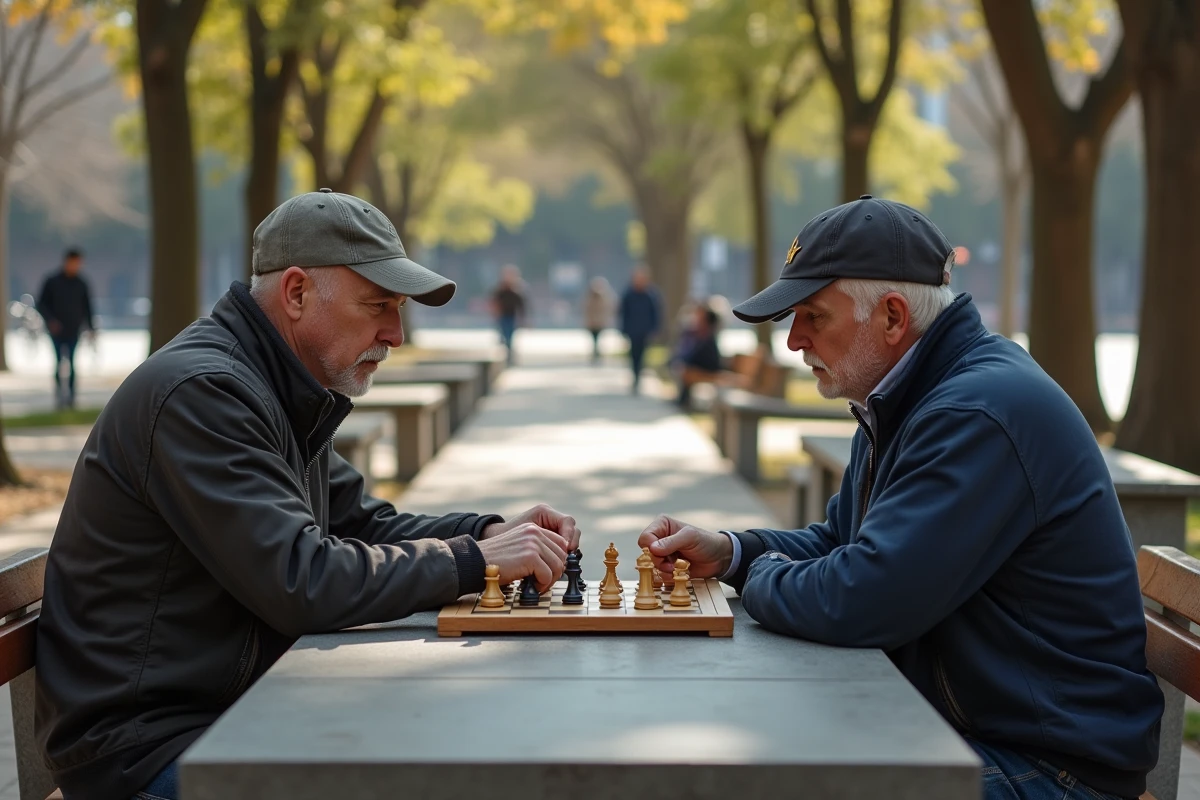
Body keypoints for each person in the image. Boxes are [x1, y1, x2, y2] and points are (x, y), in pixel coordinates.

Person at [35, 190, 581, 800]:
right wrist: (473, 563)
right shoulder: (204, 393)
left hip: (220, 713)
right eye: (378, 305)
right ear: (296, 293)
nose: (396, 334)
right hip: (145, 749)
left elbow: (364, 526)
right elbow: (302, 580)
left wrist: (488, 533)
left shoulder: (276, 384)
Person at [638, 196, 1163, 800]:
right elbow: (840, 541)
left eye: (812, 316)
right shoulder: (906, 394)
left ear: (891, 317)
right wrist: (733, 552)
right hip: (992, 734)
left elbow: (863, 598)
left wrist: (761, 580)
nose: (793, 342)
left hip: (1051, 768)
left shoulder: (974, 414)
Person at [36, 247, 95, 409]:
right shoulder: (52, 281)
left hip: (73, 330)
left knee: (72, 364)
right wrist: (50, 321)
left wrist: (91, 328)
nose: (75, 266)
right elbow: (41, 304)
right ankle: (58, 396)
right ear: (66, 262)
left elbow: (88, 307)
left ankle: (71, 398)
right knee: (57, 363)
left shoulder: (82, 283)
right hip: (56, 331)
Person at [670, 301, 723, 408]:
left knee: (686, 371)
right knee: (684, 370)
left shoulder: (707, 337)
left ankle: (683, 400)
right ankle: (683, 400)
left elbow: (705, 359)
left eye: (700, 317)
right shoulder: (699, 335)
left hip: (709, 369)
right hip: (702, 366)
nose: (696, 320)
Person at [618, 267, 661, 394]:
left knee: (642, 355)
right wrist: (624, 329)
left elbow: (656, 314)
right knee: (633, 355)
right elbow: (623, 313)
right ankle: (635, 376)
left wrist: (654, 328)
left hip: (644, 330)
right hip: (632, 330)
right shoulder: (628, 294)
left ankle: (638, 376)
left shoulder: (650, 295)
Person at [491, 264, 526, 365]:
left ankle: (509, 356)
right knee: (504, 336)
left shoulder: (516, 290)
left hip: (511, 317)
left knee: (509, 337)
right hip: (502, 316)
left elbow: (521, 305)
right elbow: (494, 302)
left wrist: (523, 318)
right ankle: (506, 355)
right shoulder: (500, 290)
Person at [582, 276, 615, 363]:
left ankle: (597, 352)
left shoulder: (603, 298)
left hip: (599, 323)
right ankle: (596, 352)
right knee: (594, 339)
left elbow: (607, 310)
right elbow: (587, 311)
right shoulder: (590, 298)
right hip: (593, 323)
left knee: (597, 338)